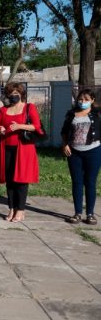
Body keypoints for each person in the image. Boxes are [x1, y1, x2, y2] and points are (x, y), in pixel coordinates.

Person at [0, 82, 42, 223]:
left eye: (16, 93)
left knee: (21, 180)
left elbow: (37, 126)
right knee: (10, 181)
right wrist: (0, 130)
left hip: (24, 149)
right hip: (7, 147)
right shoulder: (3, 110)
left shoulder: (29, 107)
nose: (13, 96)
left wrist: (19, 126)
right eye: (11, 94)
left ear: (21, 94)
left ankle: (20, 211)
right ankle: (11, 209)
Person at [61, 89, 101, 225]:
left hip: (93, 151)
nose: (82, 102)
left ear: (92, 100)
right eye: (80, 99)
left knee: (90, 182)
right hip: (74, 152)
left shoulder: (97, 114)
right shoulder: (71, 114)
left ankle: (90, 214)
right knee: (77, 182)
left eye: (86, 99)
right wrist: (65, 144)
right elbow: (64, 131)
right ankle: (78, 213)